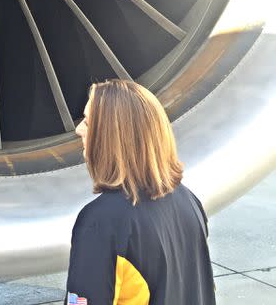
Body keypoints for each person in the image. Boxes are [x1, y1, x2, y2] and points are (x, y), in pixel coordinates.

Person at [67, 79, 216, 305]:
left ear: (108, 138)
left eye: (87, 123)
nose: (78, 130)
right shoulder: (188, 201)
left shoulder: (100, 222)